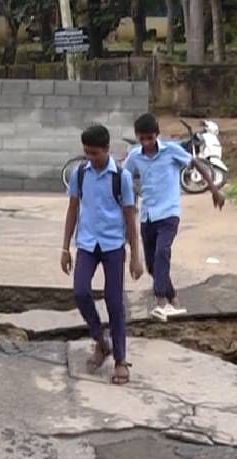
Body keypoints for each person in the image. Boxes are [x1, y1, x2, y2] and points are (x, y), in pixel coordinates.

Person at [61, 125, 144, 385]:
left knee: (114, 301)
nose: (90, 158)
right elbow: (72, 209)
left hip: (112, 245)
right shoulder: (80, 174)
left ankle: (120, 360)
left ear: (107, 150)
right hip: (86, 243)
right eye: (86, 153)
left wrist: (135, 255)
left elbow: (130, 217)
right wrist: (65, 248)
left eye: (94, 153)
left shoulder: (122, 177)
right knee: (81, 292)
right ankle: (100, 339)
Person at [124, 113, 226, 322]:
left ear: (157, 135)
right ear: (137, 137)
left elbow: (196, 163)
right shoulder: (135, 156)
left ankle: (161, 301)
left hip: (169, 213)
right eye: (142, 139)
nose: (146, 143)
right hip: (147, 216)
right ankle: (174, 298)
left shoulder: (171, 151)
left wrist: (214, 189)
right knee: (153, 265)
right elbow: (124, 176)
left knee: (163, 252)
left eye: (150, 138)